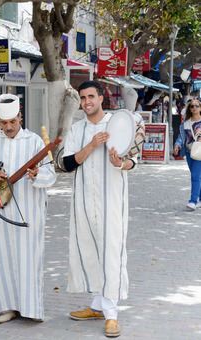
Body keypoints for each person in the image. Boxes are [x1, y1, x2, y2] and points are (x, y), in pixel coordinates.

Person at [0, 94, 57, 323]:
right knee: (0, 257)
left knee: (28, 258)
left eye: (13, 122)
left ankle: (30, 308)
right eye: (4, 123)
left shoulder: (35, 142)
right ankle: (6, 306)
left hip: (28, 212)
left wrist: (37, 175)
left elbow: (50, 175)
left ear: (20, 117)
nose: (8, 128)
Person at [62, 81, 137, 338]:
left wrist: (120, 162)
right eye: (83, 98)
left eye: (91, 96)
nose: (87, 102)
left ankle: (112, 314)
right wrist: (92, 145)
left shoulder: (118, 124)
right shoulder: (77, 129)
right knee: (88, 250)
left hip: (111, 202)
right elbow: (67, 163)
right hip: (83, 201)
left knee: (111, 253)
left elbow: (133, 161)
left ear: (101, 98)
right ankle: (96, 305)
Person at [173, 99, 201, 210]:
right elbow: (181, 137)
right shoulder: (186, 123)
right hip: (189, 153)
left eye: (197, 106)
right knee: (197, 177)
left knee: (195, 177)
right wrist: (177, 145)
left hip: (200, 152)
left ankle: (193, 201)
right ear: (189, 109)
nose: (194, 108)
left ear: (200, 108)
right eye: (192, 106)